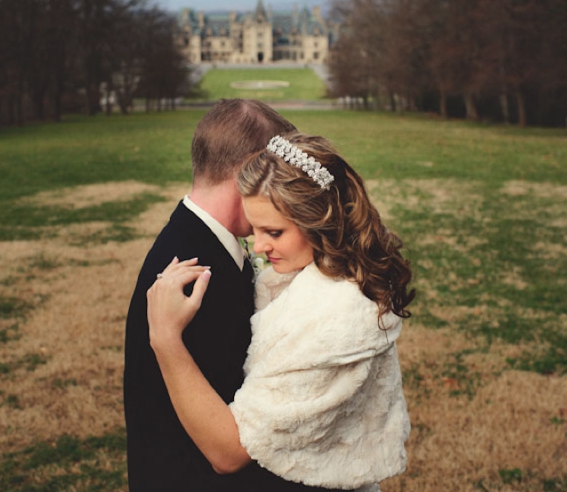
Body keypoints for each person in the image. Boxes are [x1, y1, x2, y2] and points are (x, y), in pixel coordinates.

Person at [147, 131, 415, 492]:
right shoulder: (314, 275)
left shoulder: (336, 318)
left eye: (273, 231)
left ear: (319, 220)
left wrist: (165, 339)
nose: (258, 246)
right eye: (254, 229)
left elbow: (229, 452)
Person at [124, 99, 326, 491]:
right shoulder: (190, 271)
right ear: (251, 171)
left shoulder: (205, 240)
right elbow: (224, 442)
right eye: (277, 175)